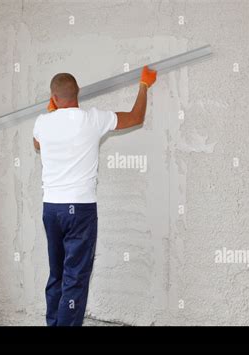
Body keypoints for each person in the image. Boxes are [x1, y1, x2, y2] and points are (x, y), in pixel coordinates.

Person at [33, 66, 157, 326]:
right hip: (80, 210)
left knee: (57, 274)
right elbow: (136, 118)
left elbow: (37, 144)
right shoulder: (92, 119)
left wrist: (51, 114)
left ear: (53, 98)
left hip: (52, 210)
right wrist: (144, 86)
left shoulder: (42, 123)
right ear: (78, 93)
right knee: (75, 278)